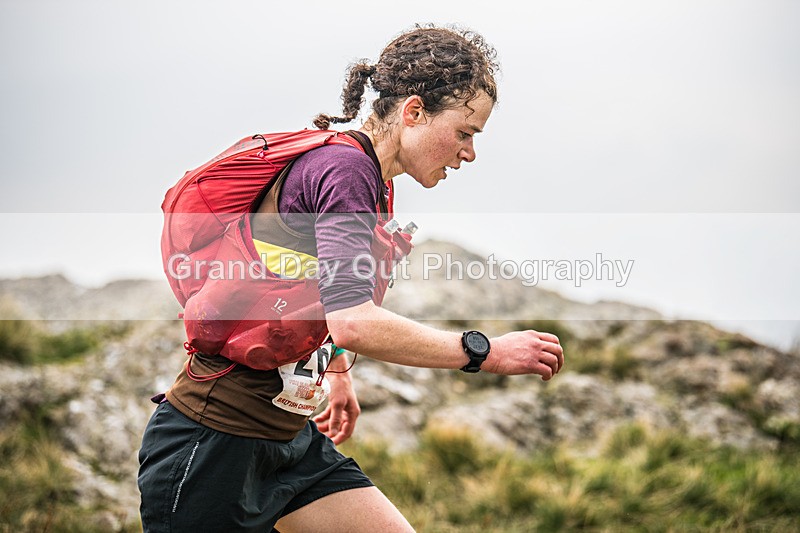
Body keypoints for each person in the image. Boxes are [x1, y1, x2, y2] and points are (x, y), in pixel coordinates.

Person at [138, 24, 564, 532]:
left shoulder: (369, 178)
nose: (468, 152)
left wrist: (336, 372)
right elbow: (354, 321)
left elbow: (307, 286)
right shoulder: (346, 171)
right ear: (413, 112)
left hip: (289, 442)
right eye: (464, 132)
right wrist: (485, 352)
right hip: (213, 441)